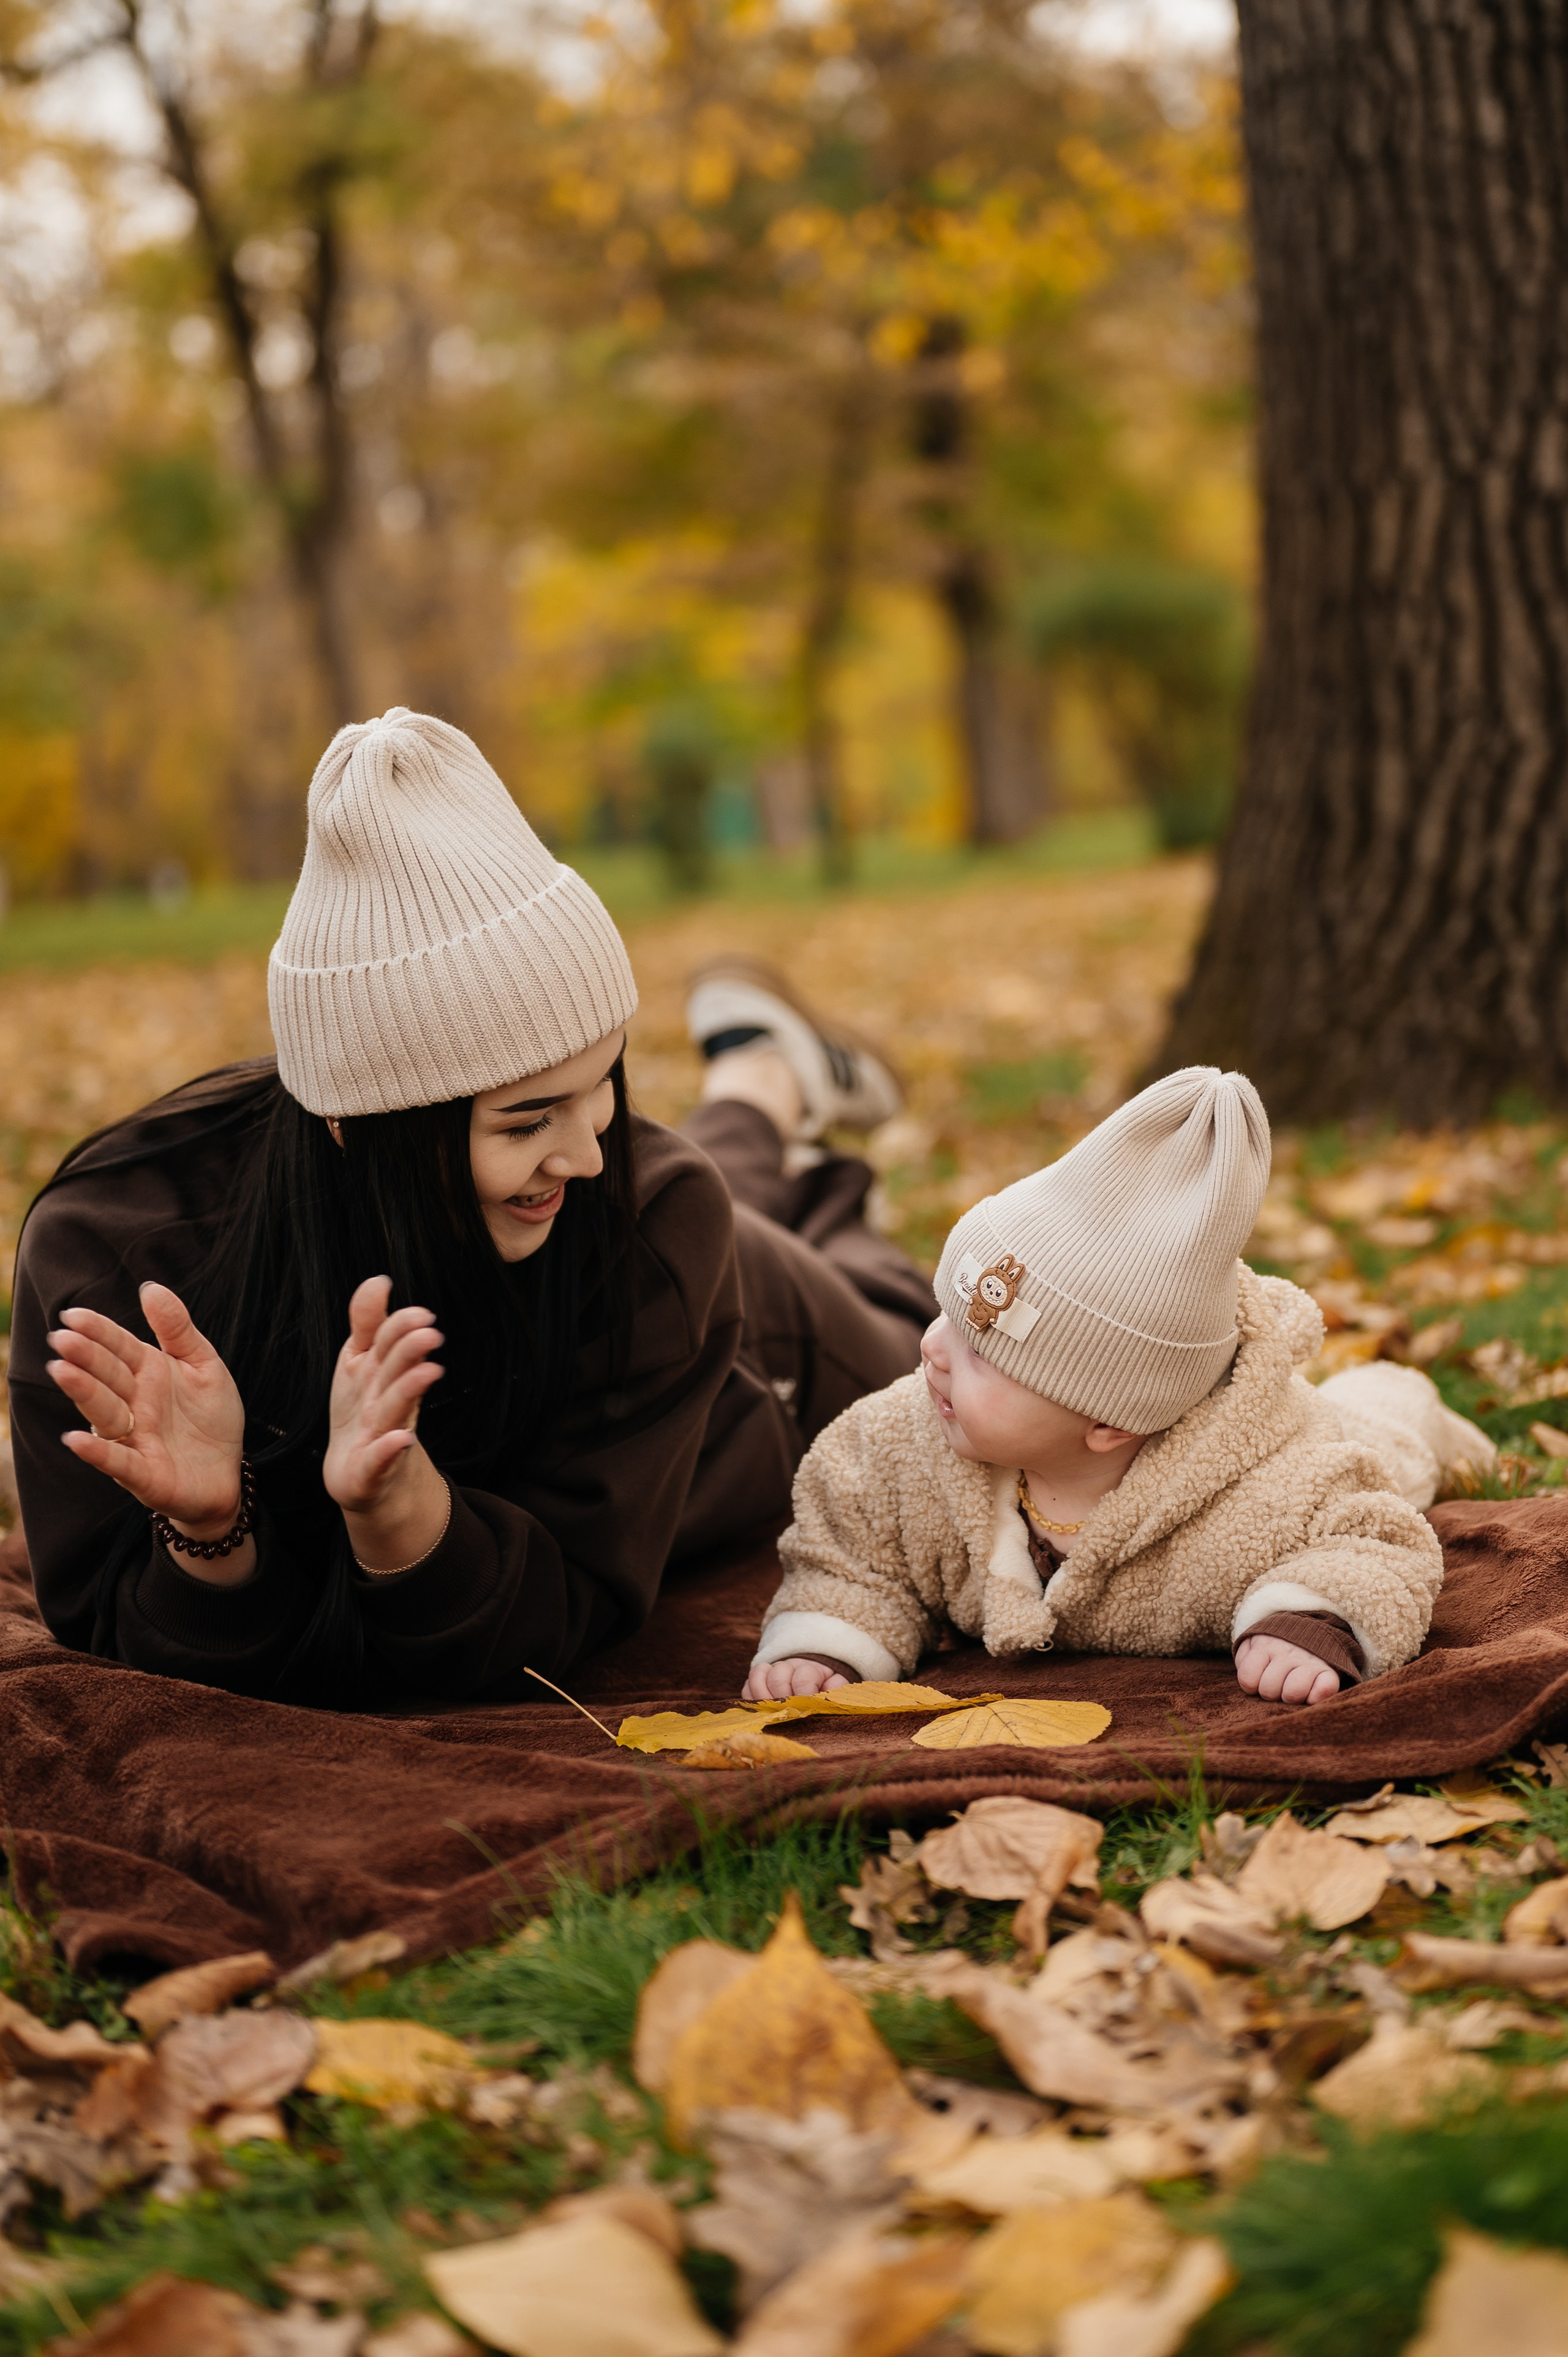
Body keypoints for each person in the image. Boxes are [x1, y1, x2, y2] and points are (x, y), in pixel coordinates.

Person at [6, 708, 933, 1706]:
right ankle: (761, 1074)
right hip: (631, 1248)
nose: (586, 1150)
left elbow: (568, 1602)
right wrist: (209, 1529)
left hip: (756, 1361)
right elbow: (115, 1624)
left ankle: (760, 1075)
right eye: (526, 1115)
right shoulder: (116, 1253)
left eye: (604, 1081)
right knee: (690, 1188)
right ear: (360, 1127)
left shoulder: (643, 1210)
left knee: (926, 1364)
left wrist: (406, 1513)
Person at [744, 1068, 1493, 1708]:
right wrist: (830, 1637)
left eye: (980, 1354)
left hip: (1344, 1430)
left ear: (1106, 1422)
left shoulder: (1282, 1484)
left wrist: (1308, 1617)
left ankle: (1411, 1399)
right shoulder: (899, 1446)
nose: (932, 1346)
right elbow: (854, 1547)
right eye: (947, 1313)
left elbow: (1369, 1539)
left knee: (1384, 1423)